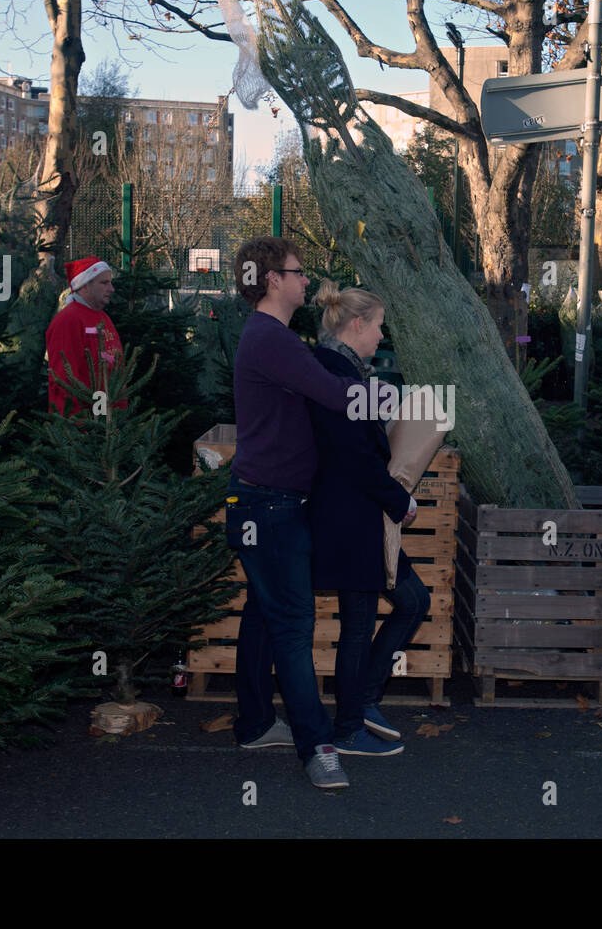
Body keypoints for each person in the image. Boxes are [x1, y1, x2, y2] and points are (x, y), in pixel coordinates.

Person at [227, 236, 361, 790]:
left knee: (264, 615)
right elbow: (333, 394)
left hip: (265, 503)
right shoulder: (270, 339)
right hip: (270, 506)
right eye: (298, 272)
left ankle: (257, 723)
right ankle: (317, 746)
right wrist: (400, 402)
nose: (306, 280)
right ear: (271, 280)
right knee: (291, 625)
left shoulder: (272, 336)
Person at [305, 282, 427, 758]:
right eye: (377, 324)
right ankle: (348, 727)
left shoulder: (339, 369)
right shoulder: (338, 375)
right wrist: (400, 502)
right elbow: (354, 458)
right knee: (359, 624)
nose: (381, 334)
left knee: (412, 600)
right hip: (350, 519)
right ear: (356, 324)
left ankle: (360, 702)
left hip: (357, 517)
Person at [45, 257, 126, 417]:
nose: (111, 289)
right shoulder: (68, 320)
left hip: (107, 419)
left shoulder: (103, 317)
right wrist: (77, 424)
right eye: (104, 283)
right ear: (85, 286)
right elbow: (63, 378)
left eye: (110, 282)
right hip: (84, 426)